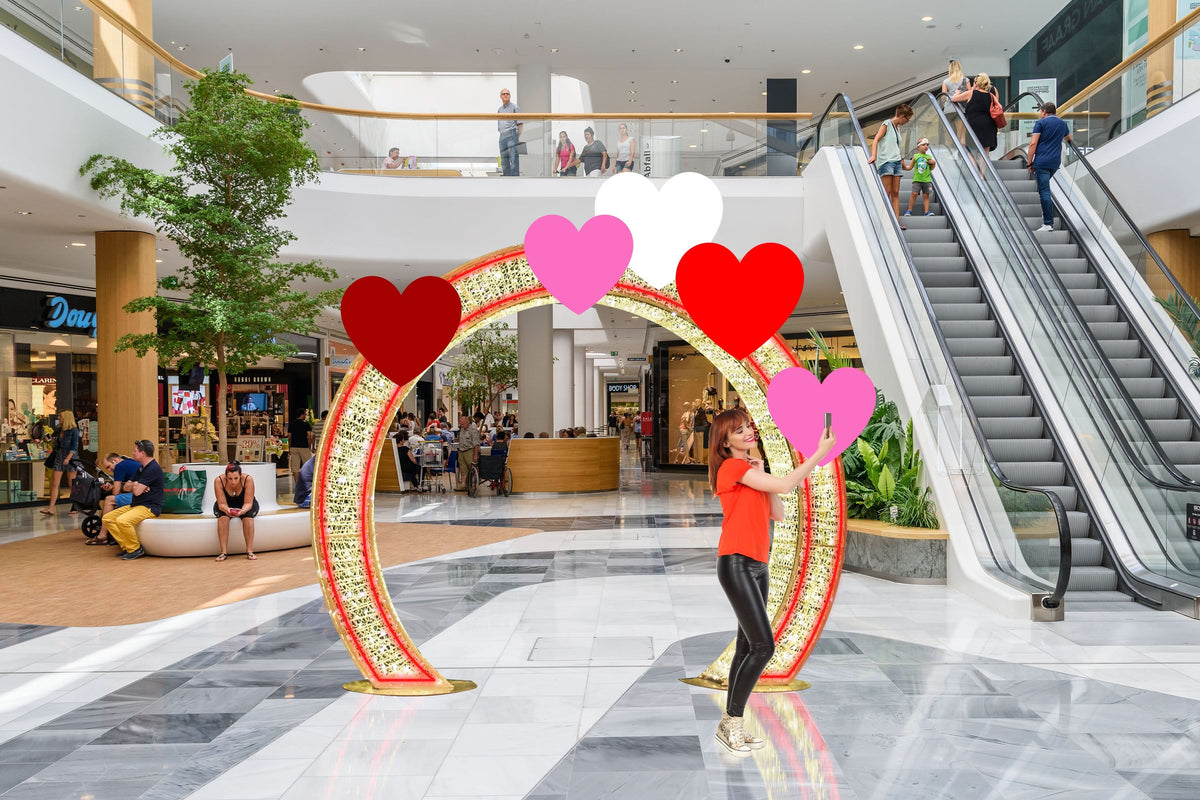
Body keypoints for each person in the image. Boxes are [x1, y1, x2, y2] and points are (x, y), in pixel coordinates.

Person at [709, 409, 836, 755]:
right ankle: (733, 720)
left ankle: (729, 723)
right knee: (764, 646)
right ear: (725, 441)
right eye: (739, 430)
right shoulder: (731, 468)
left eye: (748, 426)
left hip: (758, 565)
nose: (749, 432)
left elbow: (777, 511)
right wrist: (820, 454)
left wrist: (761, 471)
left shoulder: (749, 470)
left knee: (747, 647)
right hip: (735, 562)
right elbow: (786, 485)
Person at [104, 440, 164, 560]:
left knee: (122, 521)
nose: (133, 453)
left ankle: (135, 549)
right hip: (137, 504)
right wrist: (137, 484)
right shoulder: (141, 468)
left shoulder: (152, 468)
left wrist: (135, 486)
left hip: (149, 507)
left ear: (143, 453)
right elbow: (126, 487)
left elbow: (135, 491)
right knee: (107, 518)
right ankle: (126, 546)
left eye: (135, 451)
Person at [1027, 102, 1072, 233]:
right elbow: (1068, 138)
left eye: (1041, 112)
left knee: (1044, 191)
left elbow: (1033, 143)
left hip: (1042, 161)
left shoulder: (1041, 123)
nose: (1040, 114)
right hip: (1054, 163)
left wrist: (1030, 162)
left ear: (1044, 112)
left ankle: (1048, 223)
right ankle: (1046, 214)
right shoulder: (1062, 123)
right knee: (1044, 189)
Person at [866, 104, 913, 230]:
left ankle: (896, 223)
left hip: (897, 162)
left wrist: (902, 161)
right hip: (886, 161)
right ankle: (881, 221)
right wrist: (874, 155)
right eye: (907, 120)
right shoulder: (887, 123)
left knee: (895, 193)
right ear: (902, 116)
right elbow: (876, 140)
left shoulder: (897, 129)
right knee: (886, 193)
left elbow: (895, 147)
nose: (906, 122)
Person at [86, 451, 140, 545]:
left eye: (109, 467)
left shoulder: (119, 466)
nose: (110, 470)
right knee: (112, 499)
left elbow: (115, 492)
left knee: (109, 500)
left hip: (141, 496)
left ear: (114, 460)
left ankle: (102, 535)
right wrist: (113, 487)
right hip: (145, 494)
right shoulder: (129, 462)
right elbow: (124, 487)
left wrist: (113, 488)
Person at [952, 73, 999, 172]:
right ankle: (982, 175)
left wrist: (956, 92)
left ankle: (975, 171)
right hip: (989, 125)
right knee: (985, 151)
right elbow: (999, 107)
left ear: (976, 83)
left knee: (968, 148)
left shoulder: (971, 93)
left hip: (973, 125)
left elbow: (954, 99)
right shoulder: (991, 95)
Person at [213, 461, 259, 561]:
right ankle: (223, 552)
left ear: (240, 476)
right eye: (230, 479)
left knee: (248, 518)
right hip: (225, 504)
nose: (233, 482)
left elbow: (248, 503)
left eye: (236, 478)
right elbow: (221, 504)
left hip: (245, 504)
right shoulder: (219, 481)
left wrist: (242, 510)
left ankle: (250, 551)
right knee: (223, 519)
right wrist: (227, 509)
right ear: (226, 476)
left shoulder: (248, 479)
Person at [41, 409, 79, 515]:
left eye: (60, 417)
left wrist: (68, 458)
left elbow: (74, 446)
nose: (58, 418)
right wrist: (50, 438)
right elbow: (54, 440)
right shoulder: (58, 429)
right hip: (59, 456)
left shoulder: (74, 430)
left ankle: (76, 506)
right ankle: (51, 508)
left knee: (72, 483)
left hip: (71, 457)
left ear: (66, 418)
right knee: (54, 483)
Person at [903, 138, 937, 216]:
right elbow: (910, 167)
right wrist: (904, 167)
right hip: (917, 179)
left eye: (927, 145)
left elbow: (930, 169)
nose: (926, 146)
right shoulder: (916, 156)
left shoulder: (929, 157)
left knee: (926, 195)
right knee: (914, 194)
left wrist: (934, 163)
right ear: (918, 147)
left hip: (927, 180)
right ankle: (909, 210)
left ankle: (926, 211)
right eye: (923, 145)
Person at [497, 88, 522, 176]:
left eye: (507, 93)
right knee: (504, 159)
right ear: (500, 96)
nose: (505, 95)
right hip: (502, 135)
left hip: (512, 134)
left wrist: (517, 137)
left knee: (513, 158)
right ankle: (506, 177)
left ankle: (514, 179)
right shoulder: (500, 109)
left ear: (510, 96)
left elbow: (520, 124)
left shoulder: (515, 107)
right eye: (503, 94)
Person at [455, 414, 480, 490]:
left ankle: (473, 484)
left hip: (469, 451)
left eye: (462, 424)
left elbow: (476, 443)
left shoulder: (472, 429)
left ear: (467, 422)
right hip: (461, 451)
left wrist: (475, 455)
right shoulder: (462, 429)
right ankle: (463, 485)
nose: (461, 426)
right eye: (460, 424)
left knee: (471, 467)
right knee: (463, 468)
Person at [287, 410, 313, 483]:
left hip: (294, 447)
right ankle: (306, 484)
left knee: (295, 467)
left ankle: (297, 484)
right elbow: (309, 436)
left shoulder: (292, 424)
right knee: (307, 466)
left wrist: (289, 447)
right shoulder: (306, 424)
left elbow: (289, 437)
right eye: (304, 414)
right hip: (304, 447)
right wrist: (309, 446)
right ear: (302, 415)